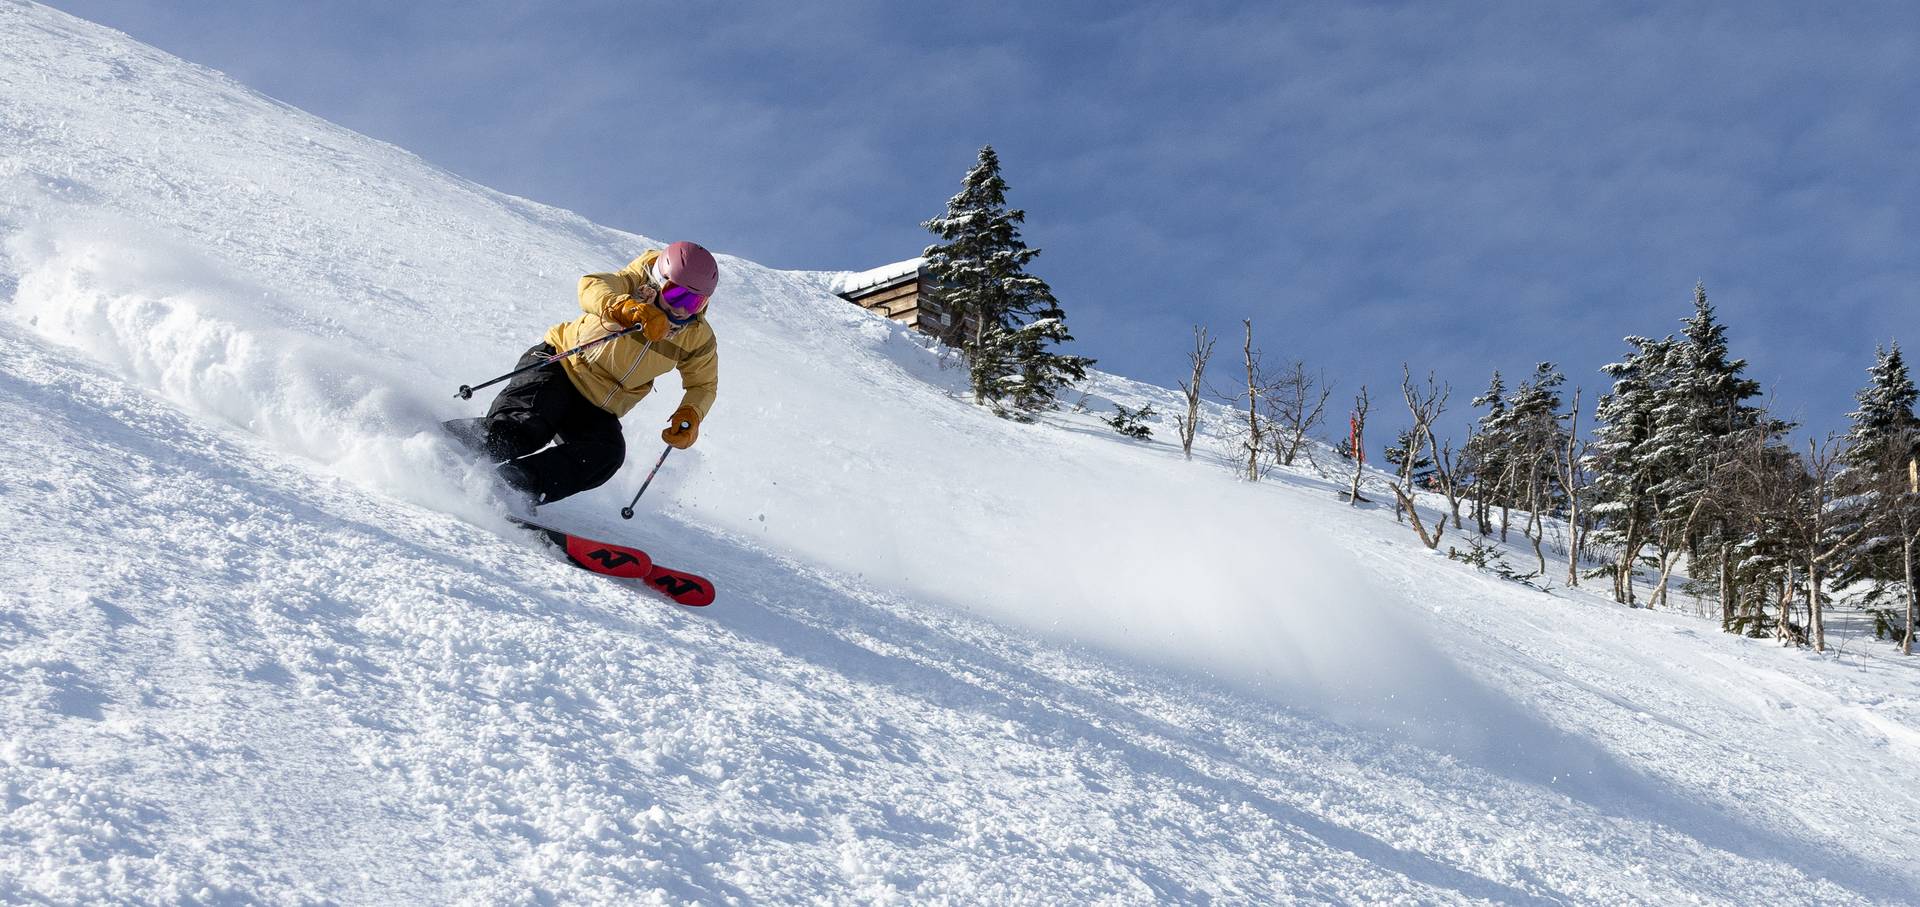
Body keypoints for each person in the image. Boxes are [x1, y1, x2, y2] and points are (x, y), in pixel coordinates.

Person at [445, 241, 719, 505]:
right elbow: (590, 286)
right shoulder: (635, 284)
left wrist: (691, 414)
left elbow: (703, 385)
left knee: (605, 454)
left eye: (694, 302)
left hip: (597, 406)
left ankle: (510, 488)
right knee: (526, 429)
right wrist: (623, 307)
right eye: (675, 293)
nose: (682, 308)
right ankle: (445, 448)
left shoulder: (696, 337)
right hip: (560, 366)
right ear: (660, 280)